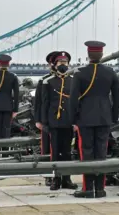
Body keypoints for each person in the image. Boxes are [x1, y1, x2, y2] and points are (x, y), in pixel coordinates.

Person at [69, 41, 119, 198]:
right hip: (104, 118)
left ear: (88, 55)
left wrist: (74, 119)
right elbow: (118, 98)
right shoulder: (110, 72)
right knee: (101, 153)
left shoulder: (79, 73)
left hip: (85, 119)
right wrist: (113, 117)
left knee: (87, 153)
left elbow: (73, 100)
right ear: (101, 55)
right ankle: (100, 189)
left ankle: (87, 189)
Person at [42, 51, 78, 191]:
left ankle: (67, 179)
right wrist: (44, 122)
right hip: (55, 121)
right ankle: (56, 179)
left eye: (65, 62)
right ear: (55, 65)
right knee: (55, 152)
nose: (63, 65)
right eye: (60, 63)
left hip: (68, 121)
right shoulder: (49, 82)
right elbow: (45, 103)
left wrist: (76, 121)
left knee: (67, 152)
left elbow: (76, 103)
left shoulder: (73, 81)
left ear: (68, 64)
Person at [34, 51, 58, 187]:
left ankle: (63, 176)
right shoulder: (44, 80)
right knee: (47, 149)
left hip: (63, 120)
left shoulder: (69, 79)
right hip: (47, 120)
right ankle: (48, 176)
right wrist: (38, 120)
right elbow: (38, 103)